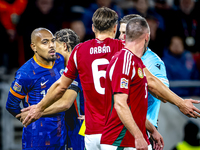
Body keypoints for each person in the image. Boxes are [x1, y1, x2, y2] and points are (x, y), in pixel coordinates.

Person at [18, 7, 200, 150]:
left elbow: (59, 87)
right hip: (117, 133)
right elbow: (149, 83)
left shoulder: (78, 51)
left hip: (91, 135)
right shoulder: (123, 50)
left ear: (92, 27)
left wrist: (39, 108)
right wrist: (180, 103)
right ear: (115, 28)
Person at [100, 16, 160, 150]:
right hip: (120, 141)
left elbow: (134, 108)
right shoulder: (124, 60)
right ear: (147, 37)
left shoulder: (136, 61)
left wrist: (152, 130)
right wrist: (139, 136)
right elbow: (120, 104)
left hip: (133, 139)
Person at [6, 28, 67, 149]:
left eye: (52, 41)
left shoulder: (61, 60)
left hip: (61, 133)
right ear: (33, 47)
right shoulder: (26, 74)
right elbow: (11, 105)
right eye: (45, 42)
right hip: (37, 138)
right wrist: (27, 118)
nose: (51, 45)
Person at [118, 14, 169, 149]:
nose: (120, 37)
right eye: (120, 33)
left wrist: (140, 79)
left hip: (143, 130)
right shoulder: (120, 58)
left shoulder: (153, 62)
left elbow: (163, 96)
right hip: (119, 128)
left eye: (124, 33)